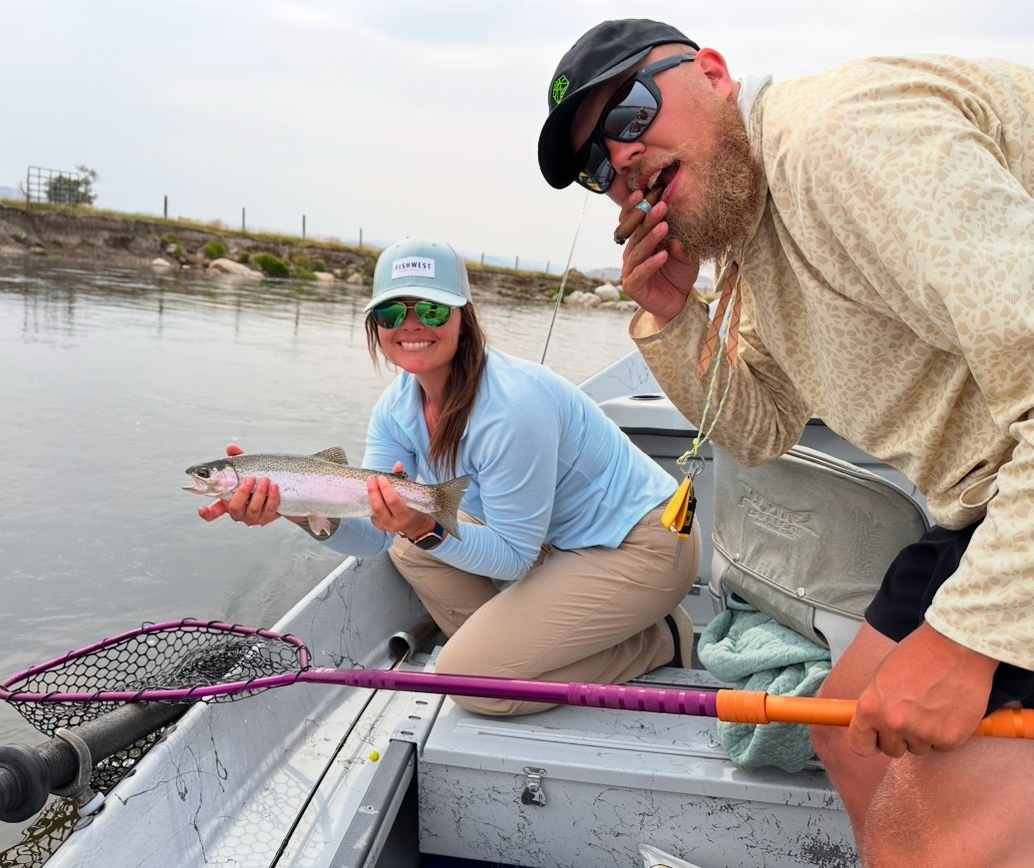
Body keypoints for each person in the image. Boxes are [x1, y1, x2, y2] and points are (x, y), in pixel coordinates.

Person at [537, 17, 1034, 866]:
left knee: (923, 844)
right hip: (987, 498)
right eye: (594, 166)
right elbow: (759, 430)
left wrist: (968, 640)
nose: (619, 160)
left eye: (628, 114)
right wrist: (674, 317)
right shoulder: (750, 237)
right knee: (846, 733)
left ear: (713, 73)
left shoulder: (840, 144)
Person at [198, 236, 699, 716]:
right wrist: (296, 508)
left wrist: (424, 528)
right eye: (392, 313)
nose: (412, 325)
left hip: (642, 543)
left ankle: (656, 641)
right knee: (406, 549)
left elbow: (513, 559)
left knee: (471, 685)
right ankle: (510, 647)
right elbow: (374, 541)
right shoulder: (395, 409)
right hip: (552, 543)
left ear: (464, 317)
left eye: (433, 310)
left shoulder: (513, 407)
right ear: (376, 325)